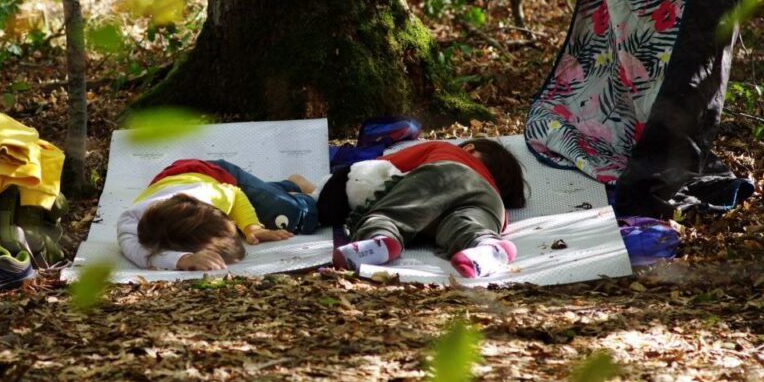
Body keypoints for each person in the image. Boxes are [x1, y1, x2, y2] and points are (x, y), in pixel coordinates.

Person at [326, 139, 527, 278]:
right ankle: (488, 246)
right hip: (490, 204)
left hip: (445, 174)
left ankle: (380, 238)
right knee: (465, 226)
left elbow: (377, 164)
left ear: (469, 148)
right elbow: (495, 218)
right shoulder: (494, 192)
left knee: (391, 213)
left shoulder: (448, 150)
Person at [117, 159, 318, 271]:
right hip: (176, 179)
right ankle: (279, 188)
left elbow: (237, 194)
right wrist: (184, 260)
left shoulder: (212, 196)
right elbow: (138, 252)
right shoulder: (132, 219)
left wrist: (251, 227)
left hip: (221, 174)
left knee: (294, 217)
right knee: (266, 199)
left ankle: (295, 185)